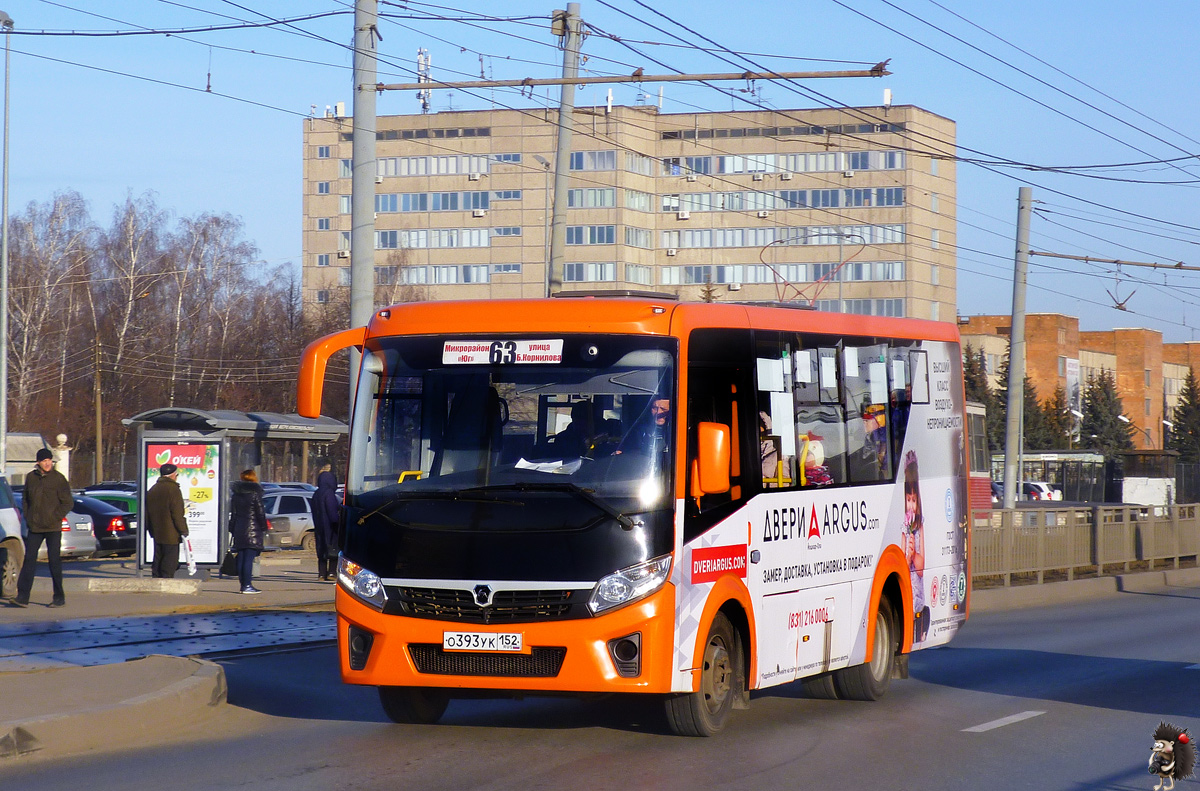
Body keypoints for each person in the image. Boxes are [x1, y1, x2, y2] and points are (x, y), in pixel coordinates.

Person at [12, 448, 74, 607]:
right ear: (38, 462)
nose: (47, 463)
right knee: (29, 560)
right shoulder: (31, 478)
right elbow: (26, 499)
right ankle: (22, 597)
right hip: (35, 527)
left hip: (53, 527)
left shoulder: (59, 479)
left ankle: (59, 598)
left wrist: (55, 516)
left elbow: (68, 503)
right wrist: (28, 516)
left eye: (49, 460)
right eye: (44, 461)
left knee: (54, 562)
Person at [901, 450, 928, 644]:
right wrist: (906, 557)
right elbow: (902, 562)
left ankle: (918, 624)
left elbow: (921, 567)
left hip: (916, 590)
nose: (911, 505)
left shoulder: (919, 526)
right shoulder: (904, 527)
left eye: (914, 500)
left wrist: (915, 554)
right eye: (908, 500)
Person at [146, 462, 189, 579]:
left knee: (158, 557)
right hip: (171, 533)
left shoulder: (153, 489)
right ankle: (167, 581)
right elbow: (177, 513)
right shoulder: (173, 489)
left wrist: (150, 529)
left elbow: (147, 512)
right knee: (170, 559)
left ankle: (156, 579)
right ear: (173, 475)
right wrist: (183, 530)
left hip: (156, 531)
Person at [229, 469, 268, 594]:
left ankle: (243, 585)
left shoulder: (236, 495)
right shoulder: (255, 494)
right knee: (248, 558)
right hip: (253, 529)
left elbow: (234, 514)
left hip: (239, 528)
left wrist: (233, 528)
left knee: (241, 557)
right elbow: (260, 513)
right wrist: (263, 527)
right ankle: (247, 585)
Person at [312, 458, 341, 582]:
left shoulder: (316, 494)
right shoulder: (329, 494)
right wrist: (338, 522)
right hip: (330, 526)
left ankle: (321, 574)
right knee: (333, 548)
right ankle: (331, 573)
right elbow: (332, 513)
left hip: (319, 526)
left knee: (321, 550)